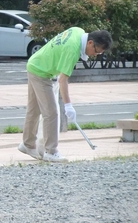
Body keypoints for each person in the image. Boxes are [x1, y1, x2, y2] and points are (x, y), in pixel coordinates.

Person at [18, 27, 112, 163]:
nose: (95, 54)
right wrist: (68, 106)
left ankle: (27, 144)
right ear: (90, 43)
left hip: (35, 64)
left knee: (34, 109)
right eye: (96, 51)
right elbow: (62, 80)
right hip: (41, 73)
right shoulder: (72, 51)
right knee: (51, 112)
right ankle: (51, 151)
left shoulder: (78, 31)